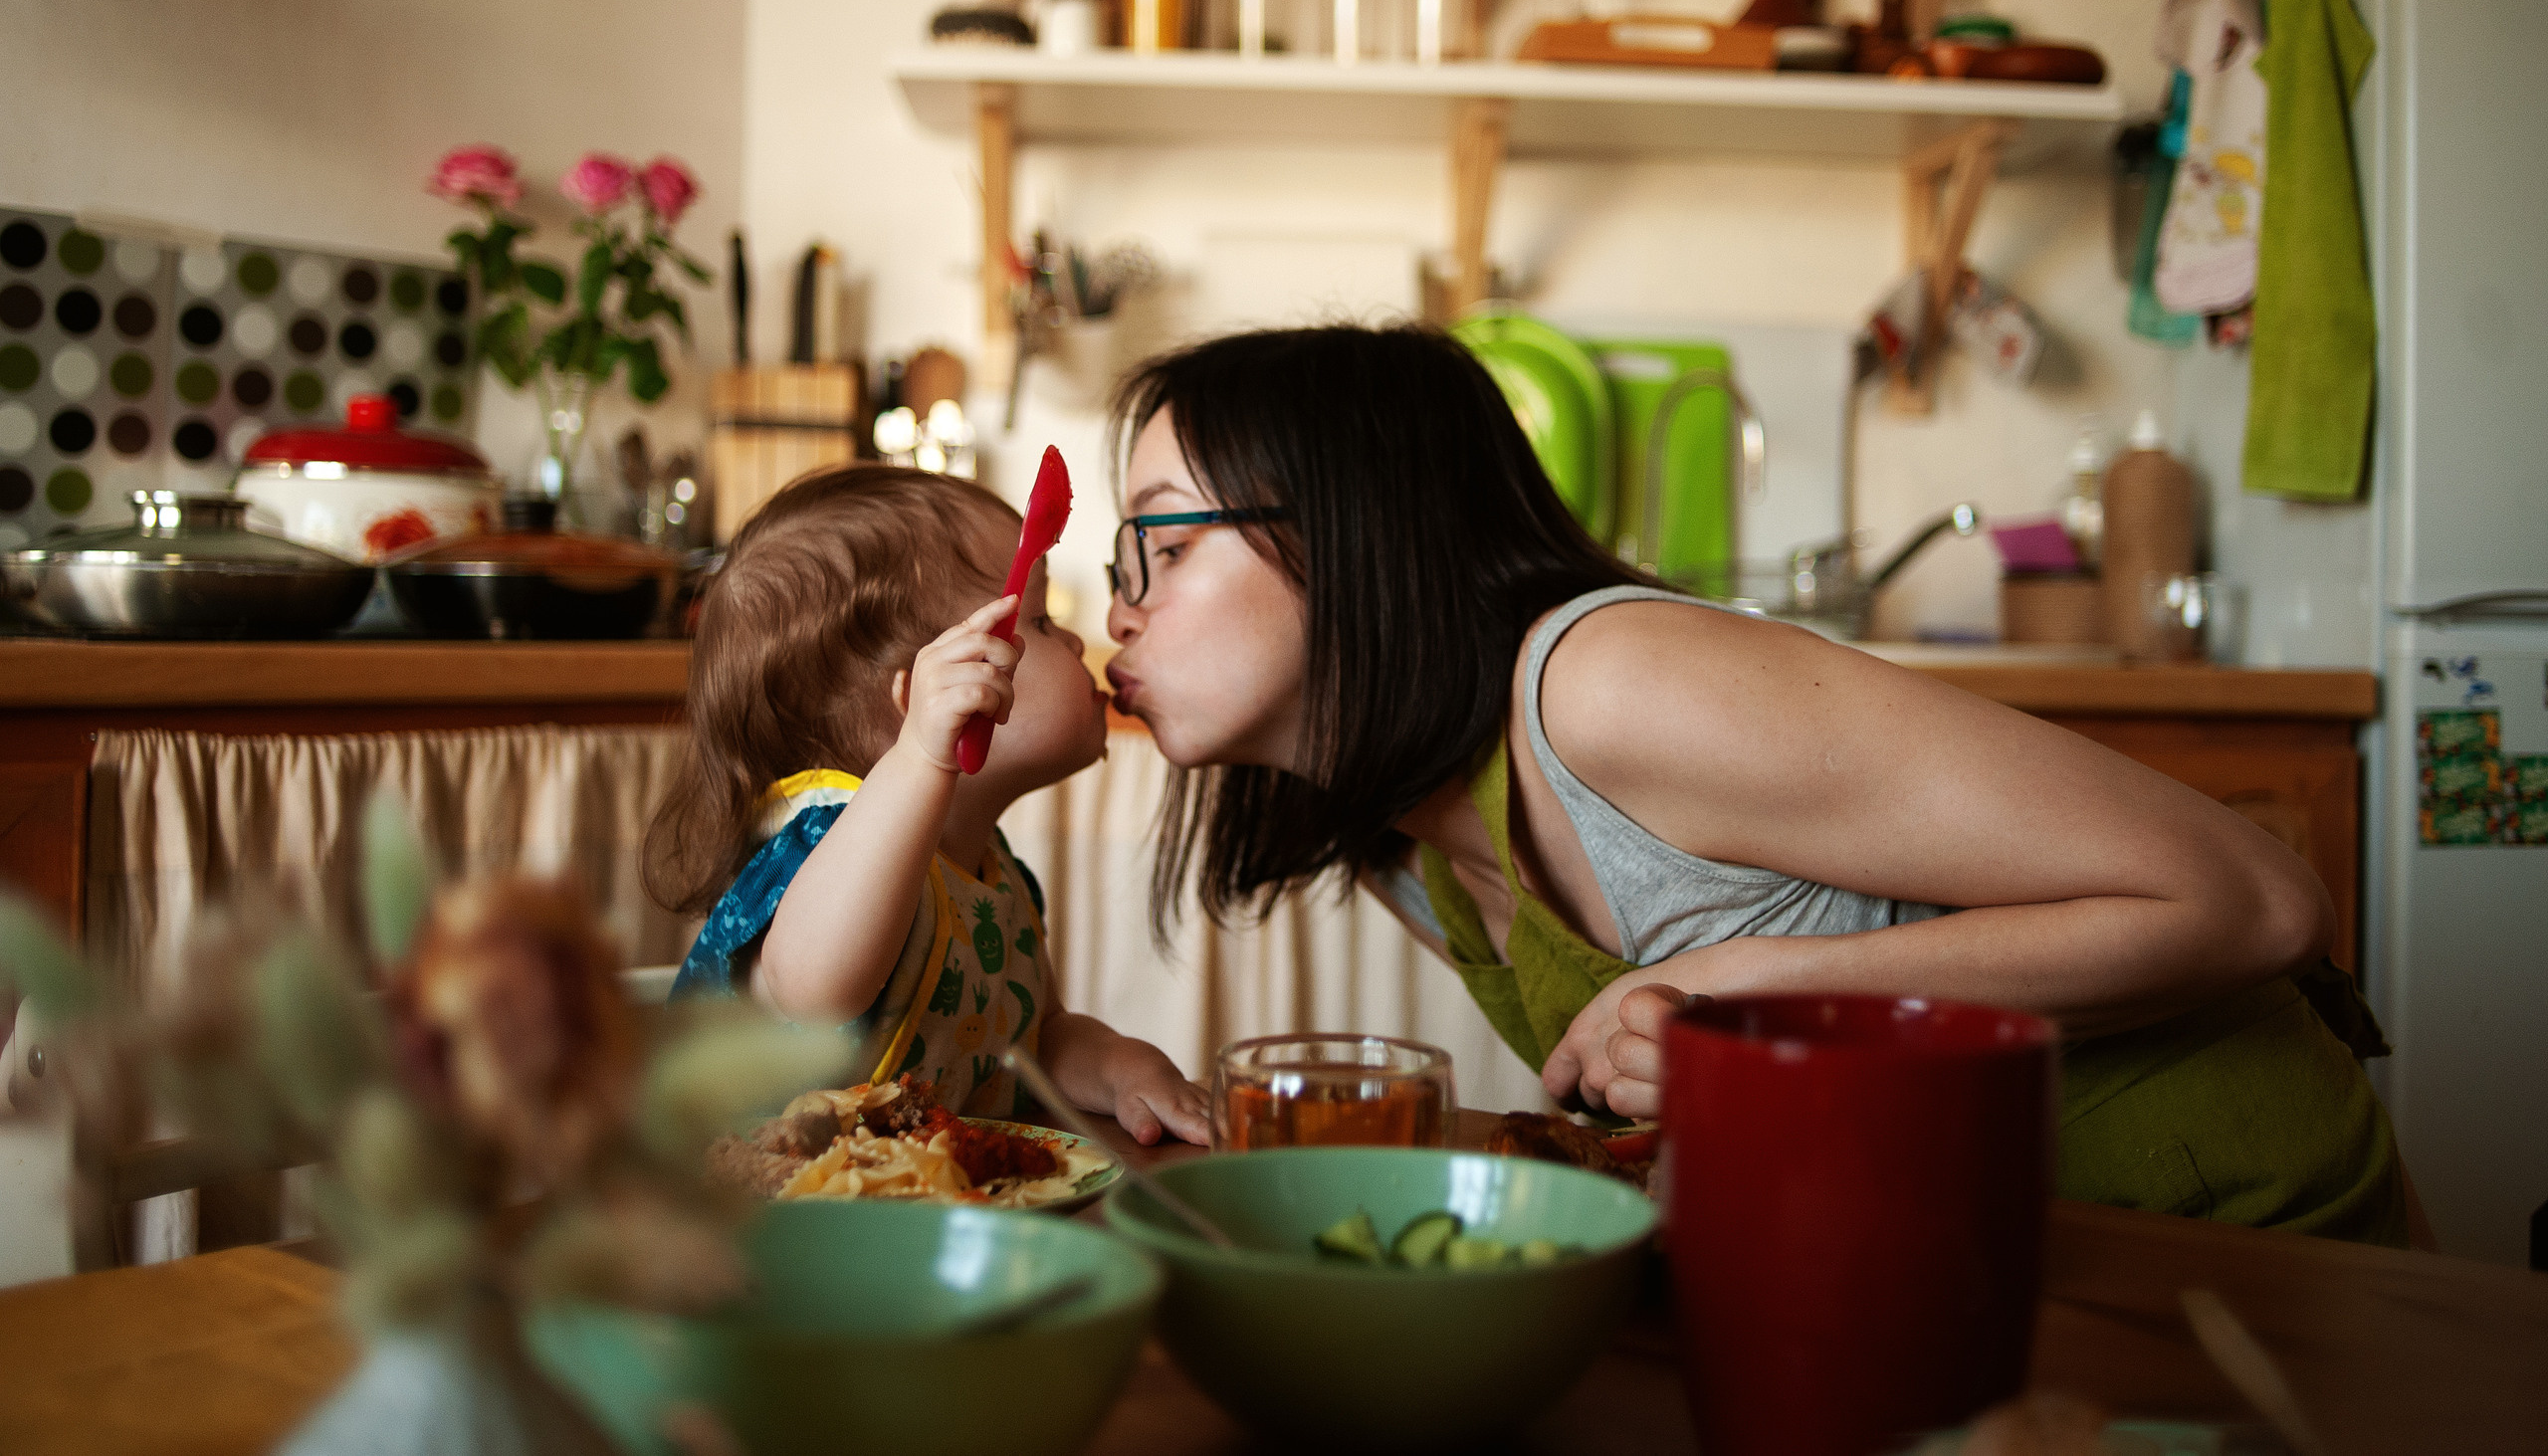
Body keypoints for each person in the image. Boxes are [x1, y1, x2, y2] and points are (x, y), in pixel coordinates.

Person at [1099, 322, 2410, 1242]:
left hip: (2232, 1247)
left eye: (1156, 532)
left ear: (1353, 532)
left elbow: (2255, 898)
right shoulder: (1406, 844)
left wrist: (1751, 994)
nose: (1119, 601)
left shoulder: (1607, 685)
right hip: (1944, 1262)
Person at [644, 464, 1209, 1145]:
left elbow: (1036, 1043)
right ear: (929, 695)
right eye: (1040, 618)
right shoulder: (828, 846)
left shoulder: (990, 876)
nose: (1073, 641)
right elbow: (815, 991)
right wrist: (921, 756)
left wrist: (1121, 1067)